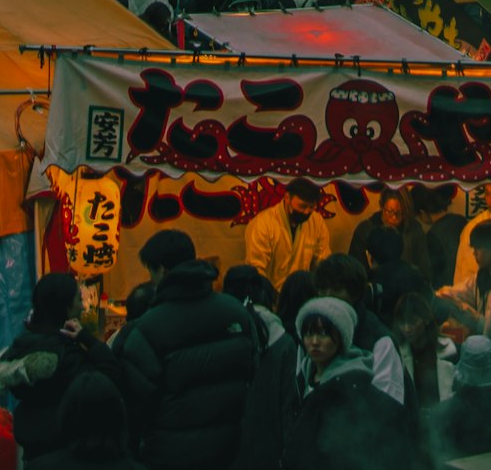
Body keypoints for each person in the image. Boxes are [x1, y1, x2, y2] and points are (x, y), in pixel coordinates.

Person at [109, 231, 267, 470]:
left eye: (150, 271)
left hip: (168, 455)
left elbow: (135, 404)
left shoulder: (147, 329)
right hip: (228, 451)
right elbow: (253, 374)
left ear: (161, 270)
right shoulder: (237, 313)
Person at [263, 299, 401, 470]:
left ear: (341, 337)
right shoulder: (302, 375)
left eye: (323, 333)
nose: (314, 341)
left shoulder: (352, 385)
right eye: (308, 333)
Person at [0, 272, 106, 460]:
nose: (83, 305)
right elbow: (109, 378)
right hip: (66, 448)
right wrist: (88, 340)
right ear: (66, 308)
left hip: (31, 445)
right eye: (78, 298)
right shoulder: (68, 355)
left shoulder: (21, 346)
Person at [242, 178, 335, 288]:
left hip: (303, 295)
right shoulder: (263, 224)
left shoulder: (317, 222)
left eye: (311, 207)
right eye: (303, 206)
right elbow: (256, 269)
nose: (307, 212)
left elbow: (323, 263)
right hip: (270, 296)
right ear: (287, 197)